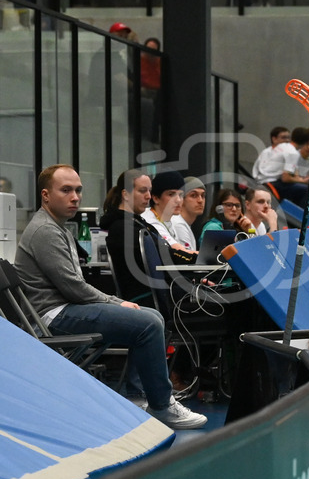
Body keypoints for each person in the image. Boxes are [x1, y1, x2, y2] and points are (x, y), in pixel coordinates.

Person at [15, 165, 206, 428]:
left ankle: (140, 396)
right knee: (148, 322)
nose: (75, 197)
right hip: (51, 316)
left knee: (152, 316)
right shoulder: (45, 231)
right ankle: (161, 405)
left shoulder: (57, 227)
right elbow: (74, 288)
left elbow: (76, 287)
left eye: (78, 190)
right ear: (46, 195)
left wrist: (118, 303)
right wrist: (117, 302)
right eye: (66, 190)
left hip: (63, 309)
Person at [99, 169, 157, 305]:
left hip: (159, 290)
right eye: (143, 191)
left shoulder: (137, 223)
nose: (148, 196)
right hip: (146, 297)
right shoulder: (123, 228)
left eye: (149, 190)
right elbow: (162, 257)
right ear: (125, 194)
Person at [142, 171, 193, 252]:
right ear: (155, 198)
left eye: (181, 195)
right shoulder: (150, 221)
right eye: (171, 194)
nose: (178, 200)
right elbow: (180, 252)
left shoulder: (170, 220)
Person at [171, 176, 205, 251]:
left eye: (202, 196)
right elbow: (189, 259)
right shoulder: (178, 224)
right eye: (193, 195)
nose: (200, 200)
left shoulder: (183, 223)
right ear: (181, 199)